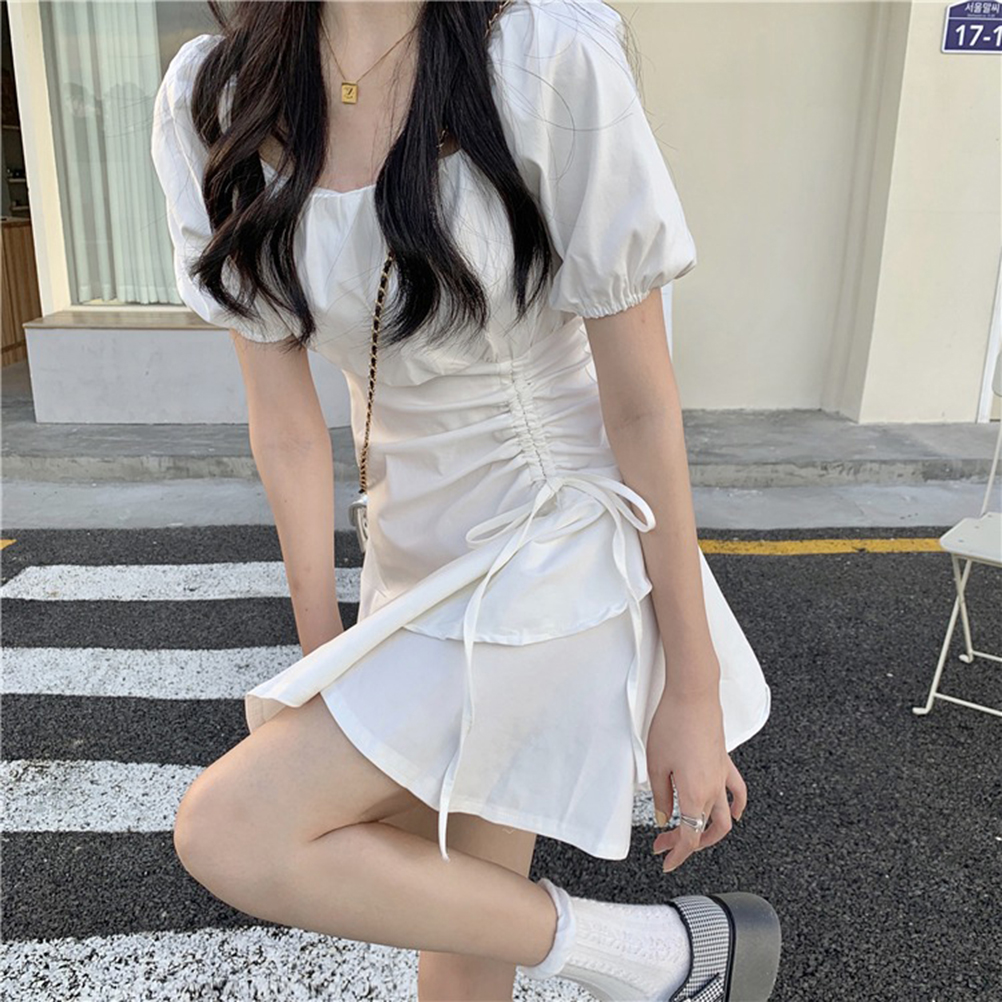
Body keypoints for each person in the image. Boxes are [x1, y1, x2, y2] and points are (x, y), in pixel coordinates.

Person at [150, 1, 780, 999]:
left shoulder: (543, 57)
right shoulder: (217, 97)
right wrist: (322, 655)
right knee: (458, 932)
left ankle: (661, 955)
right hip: (412, 556)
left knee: (234, 828)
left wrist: (691, 691)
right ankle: (673, 958)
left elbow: (642, 407)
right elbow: (286, 428)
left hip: (558, 542)